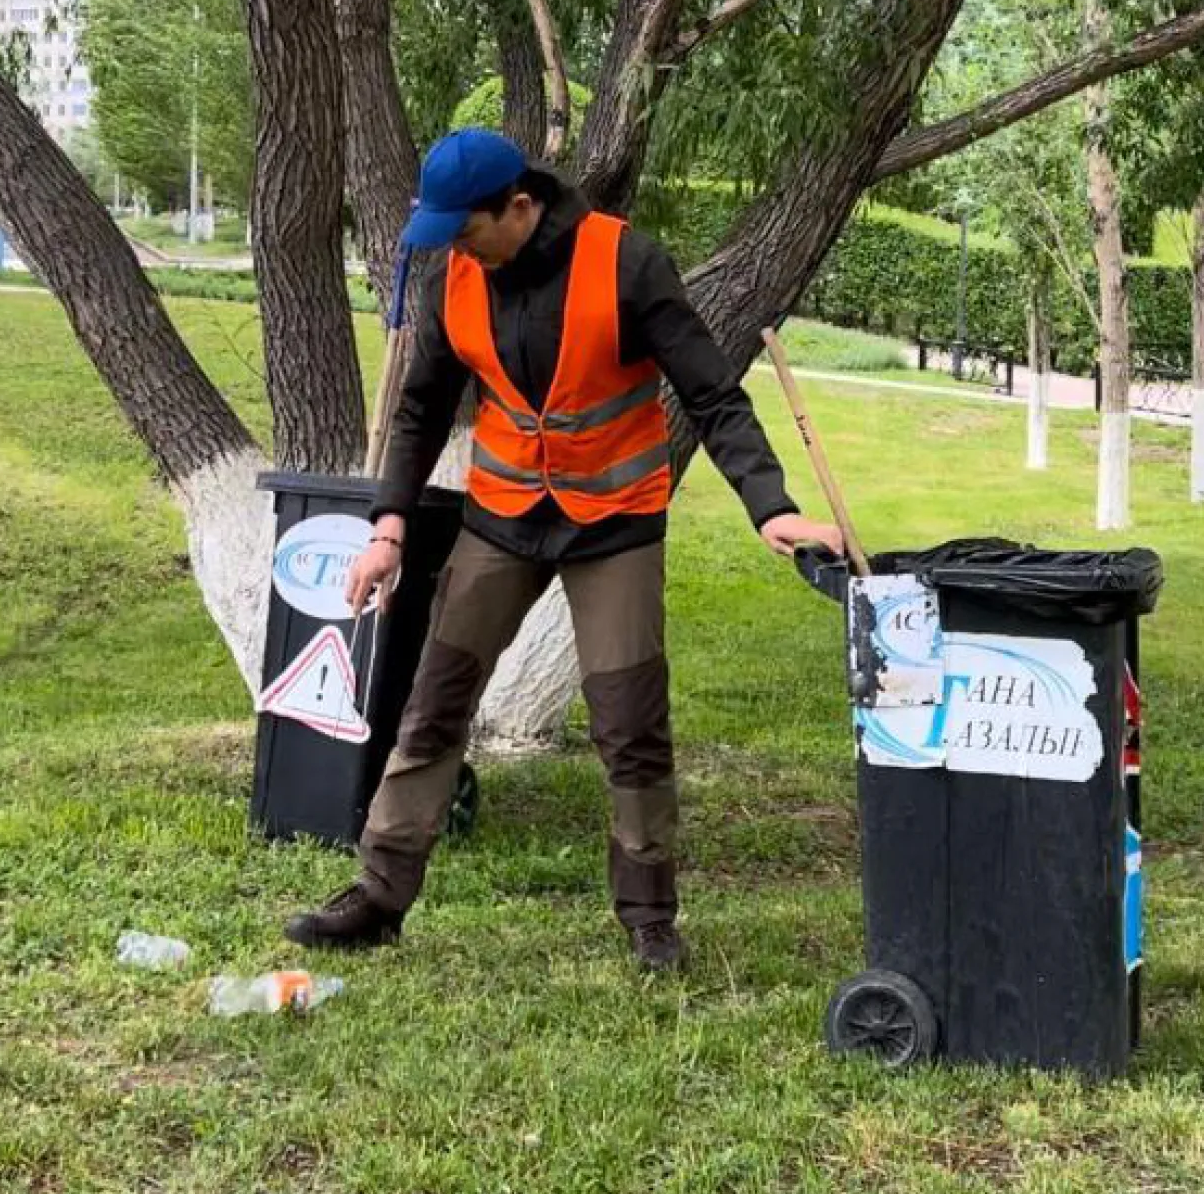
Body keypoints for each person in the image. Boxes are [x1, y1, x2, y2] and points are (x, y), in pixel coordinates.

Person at [285, 128, 842, 970]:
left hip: (612, 521)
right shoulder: (458, 276)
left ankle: (650, 917)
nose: (456, 252)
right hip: (503, 516)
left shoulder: (626, 261)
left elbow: (712, 395)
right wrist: (389, 525)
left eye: (465, 231)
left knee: (630, 723)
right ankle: (380, 893)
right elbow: (420, 407)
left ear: (519, 207)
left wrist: (773, 507)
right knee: (435, 701)